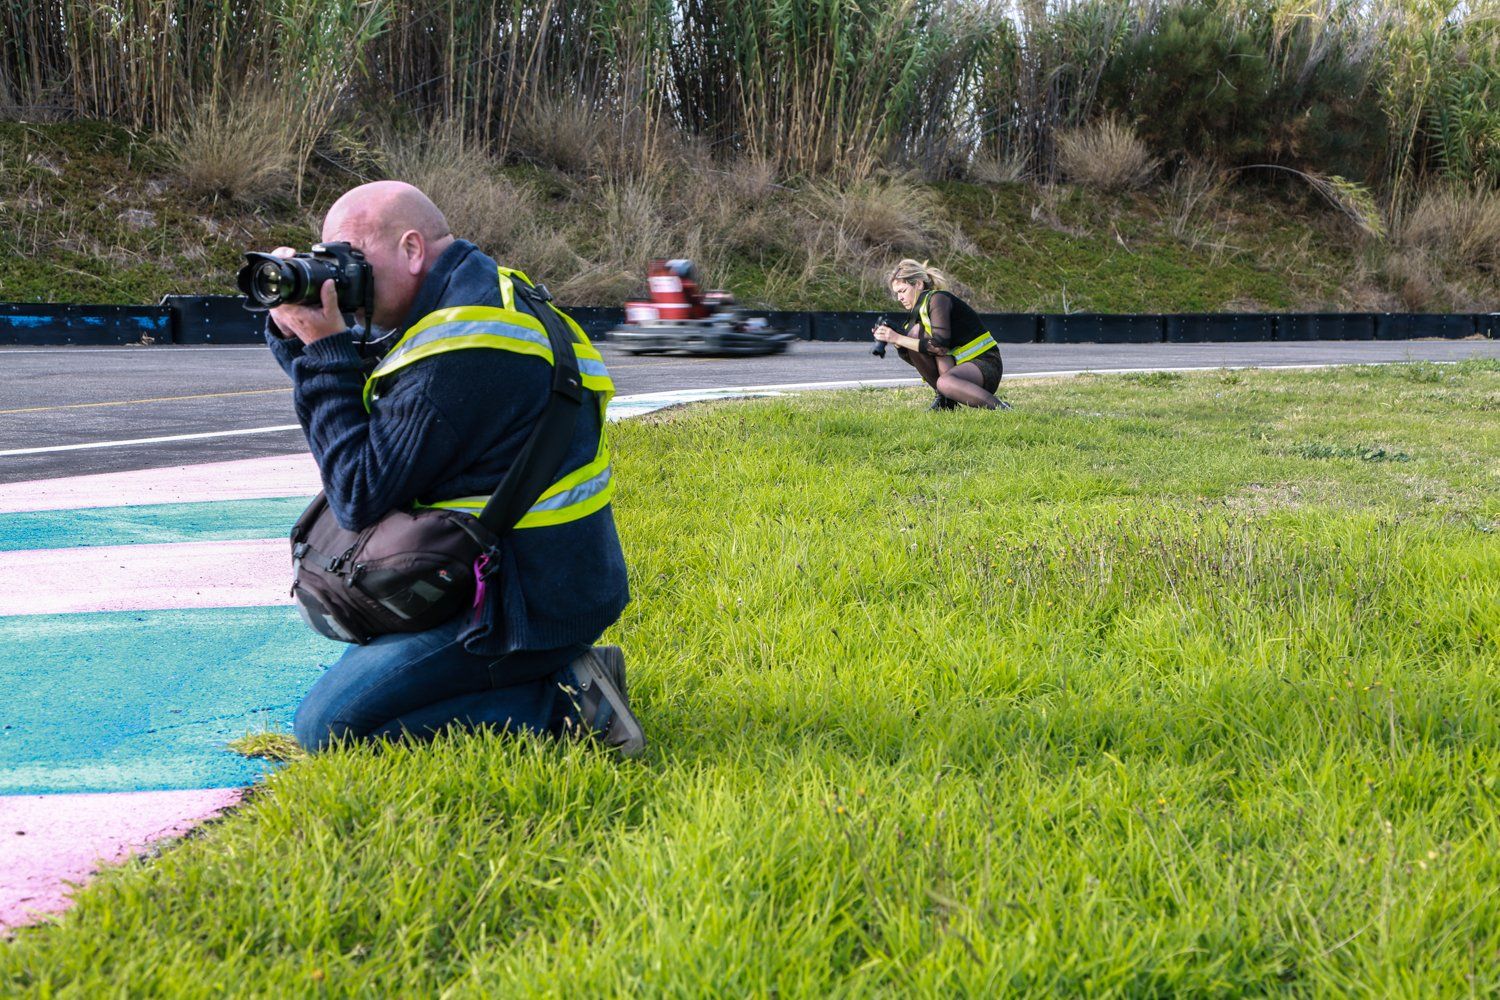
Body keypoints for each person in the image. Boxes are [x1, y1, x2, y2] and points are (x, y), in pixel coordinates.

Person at [262, 180, 643, 756]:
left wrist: (323, 351)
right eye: (329, 260)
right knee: (361, 684)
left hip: (517, 607)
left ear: (412, 249)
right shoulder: (482, 295)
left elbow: (358, 492)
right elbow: (371, 403)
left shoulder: (464, 346)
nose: (340, 278)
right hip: (541, 576)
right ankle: (563, 673)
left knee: (330, 728)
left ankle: (568, 703)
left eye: (351, 258)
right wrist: (301, 338)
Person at [872, 259, 1009, 411]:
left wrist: (898, 337)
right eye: (897, 293)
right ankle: (946, 402)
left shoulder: (938, 299)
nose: (899, 298)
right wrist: (898, 342)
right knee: (913, 334)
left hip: (985, 364)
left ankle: (1002, 409)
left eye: (902, 291)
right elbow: (919, 360)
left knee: (944, 382)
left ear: (918, 284)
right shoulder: (915, 316)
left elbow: (939, 347)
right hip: (959, 368)